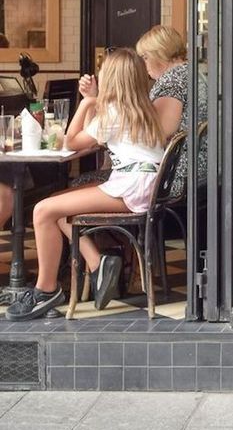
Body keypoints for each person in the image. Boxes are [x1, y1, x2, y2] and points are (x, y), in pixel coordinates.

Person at [6, 49, 165, 321]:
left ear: (111, 79)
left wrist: (88, 102)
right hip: (143, 184)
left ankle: (46, 290)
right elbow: (94, 138)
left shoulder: (113, 113)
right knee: (59, 203)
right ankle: (97, 262)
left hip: (131, 187)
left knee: (43, 210)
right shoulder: (142, 108)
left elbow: (70, 141)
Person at [136, 24, 208, 196]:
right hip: (202, 170)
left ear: (159, 54)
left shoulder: (172, 81)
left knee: (88, 181)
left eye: (145, 57)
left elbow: (159, 134)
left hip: (176, 175)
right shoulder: (192, 72)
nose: (144, 64)